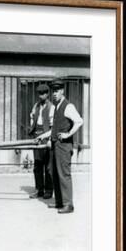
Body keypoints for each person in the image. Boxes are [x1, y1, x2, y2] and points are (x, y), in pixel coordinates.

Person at [35, 80, 83, 214]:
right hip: (55, 145)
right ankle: (60, 202)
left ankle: (68, 204)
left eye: (57, 91)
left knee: (64, 174)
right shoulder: (56, 106)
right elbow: (54, 129)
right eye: (53, 91)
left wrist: (68, 134)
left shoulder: (68, 106)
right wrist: (43, 136)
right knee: (54, 173)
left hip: (64, 146)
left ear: (62, 91)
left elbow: (79, 121)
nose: (54, 94)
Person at [28, 84, 54, 199]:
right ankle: (39, 189)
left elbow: (53, 126)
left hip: (46, 136)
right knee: (37, 165)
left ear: (47, 94)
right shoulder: (36, 105)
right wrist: (32, 129)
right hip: (37, 136)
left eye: (43, 93)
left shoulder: (51, 107)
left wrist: (48, 138)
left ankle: (48, 190)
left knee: (48, 166)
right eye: (39, 93)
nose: (41, 95)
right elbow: (32, 117)